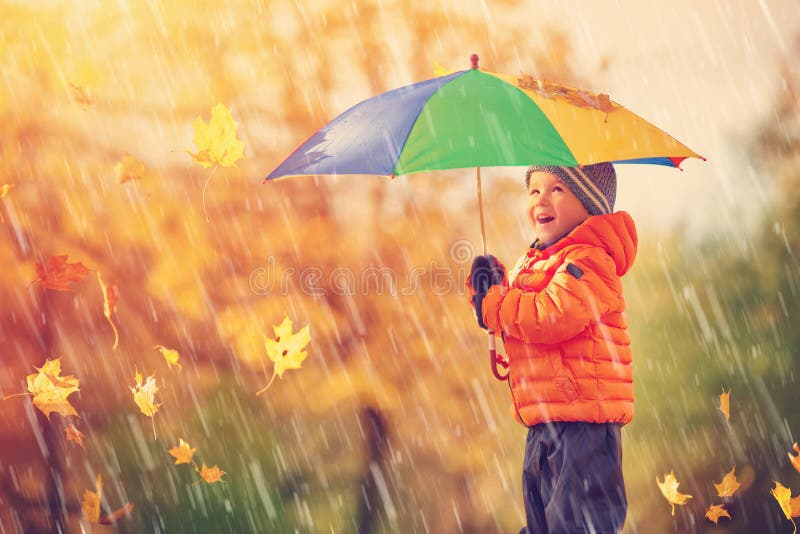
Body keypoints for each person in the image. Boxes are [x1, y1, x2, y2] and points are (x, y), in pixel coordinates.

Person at [468, 163, 637, 533]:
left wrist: (497, 305)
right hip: (544, 421)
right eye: (534, 190)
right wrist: (487, 287)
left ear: (591, 204)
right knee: (541, 521)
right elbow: (512, 317)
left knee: (576, 524)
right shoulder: (534, 263)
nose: (541, 200)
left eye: (558, 189)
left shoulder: (590, 261)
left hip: (584, 428)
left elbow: (550, 316)